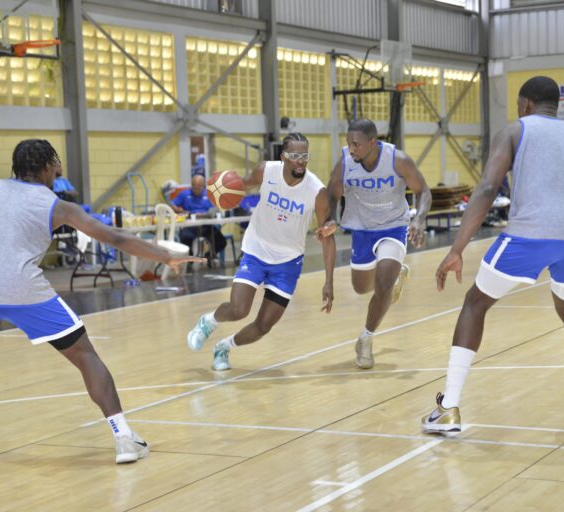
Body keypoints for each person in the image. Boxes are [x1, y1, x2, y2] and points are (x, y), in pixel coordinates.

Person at [0, 140, 202, 463]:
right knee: (85, 356)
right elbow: (114, 237)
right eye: (55, 163)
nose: (58, 169)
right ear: (47, 166)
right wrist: (165, 255)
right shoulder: (57, 206)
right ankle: (124, 438)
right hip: (28, 291)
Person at [423, 76, 564, 436]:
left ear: (527, 104)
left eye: (519, 105)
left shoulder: (515, 130)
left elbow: (487, 188)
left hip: (530, 233)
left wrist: (456, 249)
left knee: (475, 303)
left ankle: (448, 407)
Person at [186, 133, 336, 371]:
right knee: (238, 309)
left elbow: (327, 237)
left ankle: (224, 347)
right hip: (257, 249)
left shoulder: (317, 191)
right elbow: (241, 186)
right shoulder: (265, 171)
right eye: (294, 155)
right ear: (283, 156)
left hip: (288, 262)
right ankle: (208, 322)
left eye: (305, 156)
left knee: (263, 326)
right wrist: (222, 188)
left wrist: (329, 281)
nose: (300, 161)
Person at [326, 119, 431, 369]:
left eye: (356, 144)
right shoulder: (345, 163)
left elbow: (423, 191)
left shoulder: (398, 160)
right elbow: (332, 193)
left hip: (394, 226)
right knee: (361, 288)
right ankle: (394, 275)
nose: (351, 149)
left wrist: (419, 219)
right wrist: (330, 218)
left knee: (383, 285)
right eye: (349, 143)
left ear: (373, 142)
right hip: (362, 230)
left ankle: (366, 338)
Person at [170, 174, 227, 259]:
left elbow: (214, 209)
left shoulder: (209, 195)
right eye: (194, 186)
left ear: (203, 186)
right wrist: (177, 209)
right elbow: (172, 204)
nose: (196, 189)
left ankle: (208, 256)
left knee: (221, 241)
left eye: (198, 187)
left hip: (206, 226)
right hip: (190, 226)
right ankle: (190, 260)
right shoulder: (184, 194)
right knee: (185, 239)